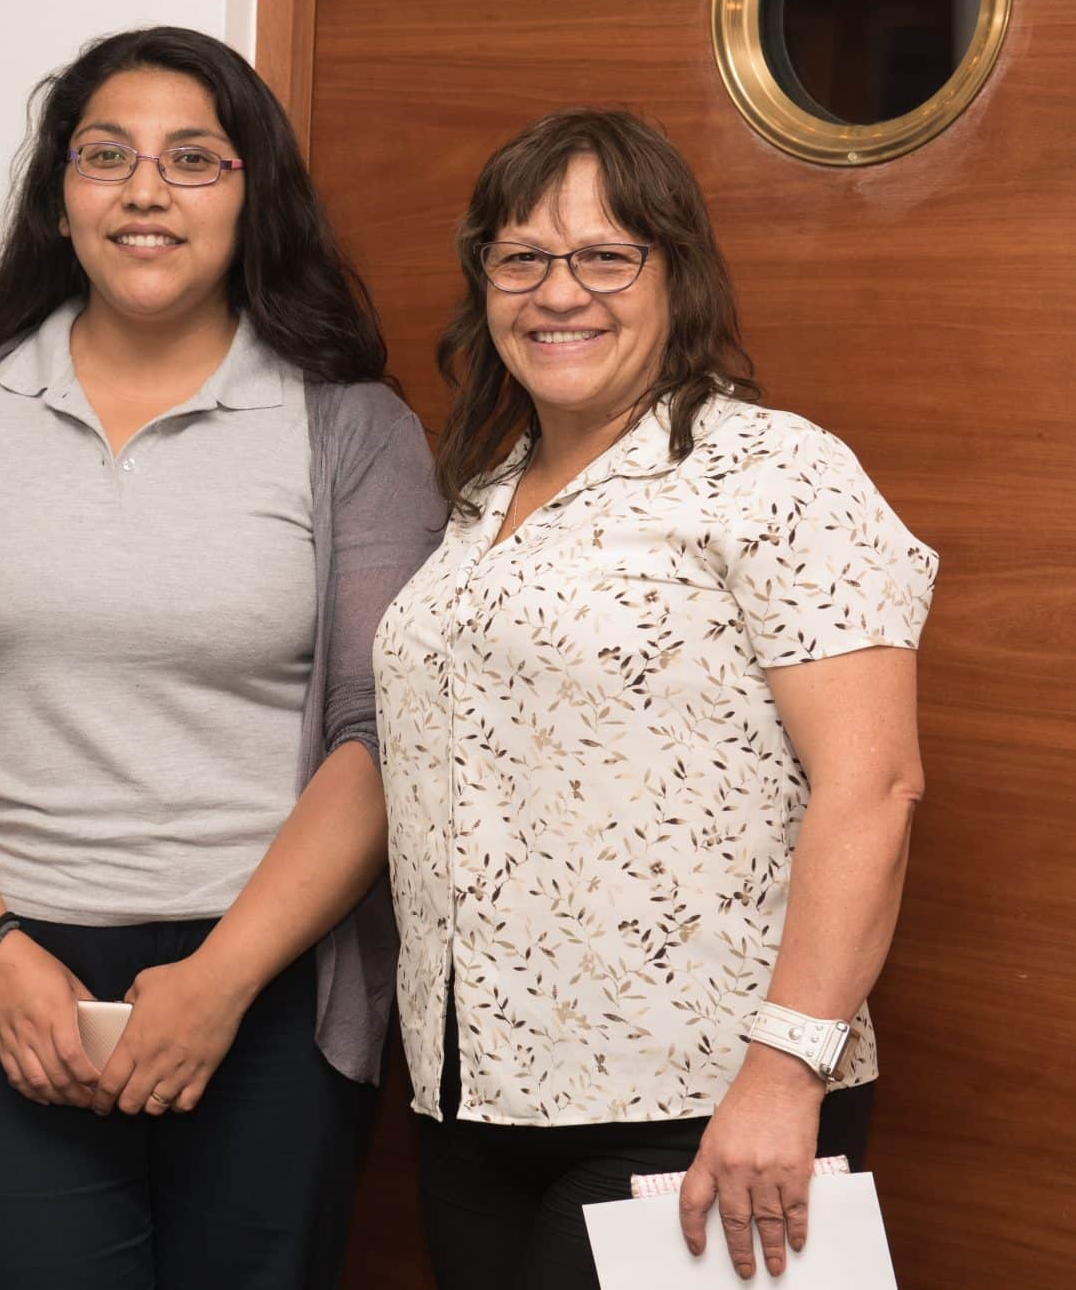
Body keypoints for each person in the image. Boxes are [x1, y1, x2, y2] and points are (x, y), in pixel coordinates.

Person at [0, 26, 443, 1289]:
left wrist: (220, 981)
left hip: (264, 983)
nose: (144, 191)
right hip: (13, 980)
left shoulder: (352, 430)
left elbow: (383, 729)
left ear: (252, 194)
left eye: (192, 159)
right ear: (57, 196)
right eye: (105, 156)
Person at [374, 107, 938, 1288]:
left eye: (603, 256)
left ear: (674, 274)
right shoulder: (483, 494)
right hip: (472, 1095)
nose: (556, 292)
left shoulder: (774, 472)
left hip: (703, 1102)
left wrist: (783, 1072)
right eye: (520, 258)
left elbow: (873, 785)